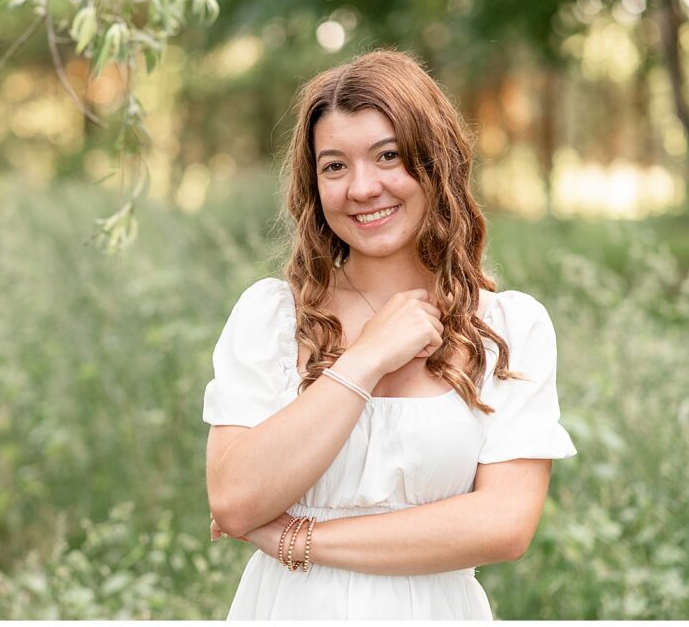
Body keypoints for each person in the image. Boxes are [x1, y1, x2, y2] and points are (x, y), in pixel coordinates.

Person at [202, 48, 577, 620]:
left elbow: (503, 525)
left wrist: (296, 539)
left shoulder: (509, 327)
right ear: (314, 183)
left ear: (435, 163)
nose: (362, 187)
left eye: (389, 156)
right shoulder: (270, 317)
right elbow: (233, 499)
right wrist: (365, 358)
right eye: (335, 166)